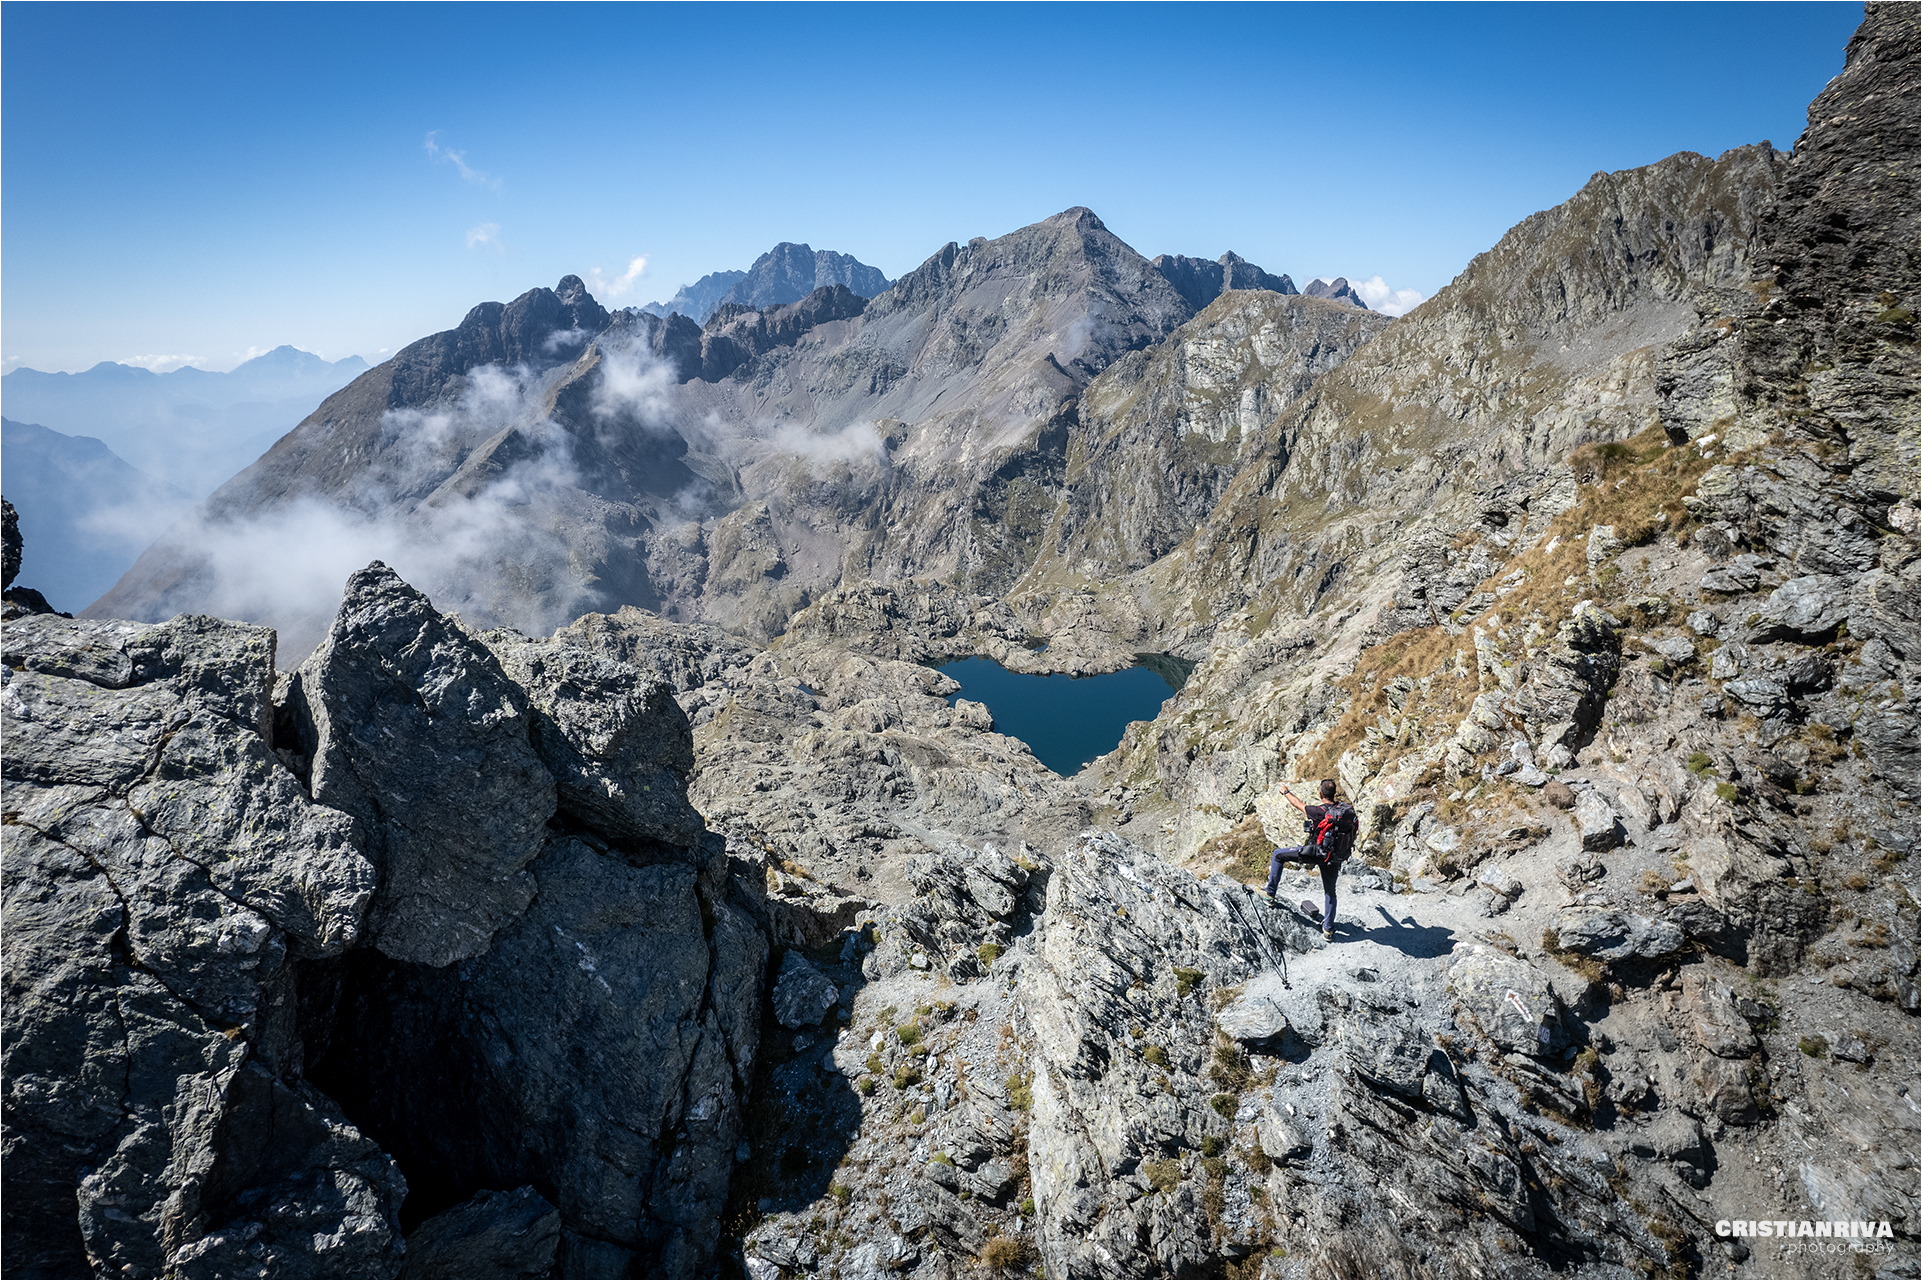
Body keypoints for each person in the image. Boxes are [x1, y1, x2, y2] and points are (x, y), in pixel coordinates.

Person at [1263, 778, 1357, 941]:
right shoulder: (1342, 812)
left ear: (1320, 793)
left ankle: (1269, 895)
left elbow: (1297, 804)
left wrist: (1285, 791)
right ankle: (1328, 929)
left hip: (1315, 853)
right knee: (1330, 891)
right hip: (1334, 857)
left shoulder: (1319, 812)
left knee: (1278, 855)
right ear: (1334, 794)